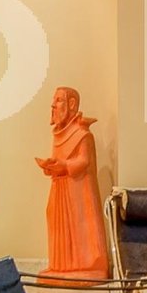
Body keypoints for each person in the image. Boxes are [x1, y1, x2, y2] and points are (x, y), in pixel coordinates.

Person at [39, 85, 109, 278]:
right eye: (54, 100)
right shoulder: (59, 134)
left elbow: (84, 161)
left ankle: (84, 266)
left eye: (58, 100)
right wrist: (50, 167)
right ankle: (60, 266)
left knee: (78, 225)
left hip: (77, 192)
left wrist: (63, 165)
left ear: (71, 104)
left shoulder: (83, 134)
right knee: (55, 219)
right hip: (59, 187)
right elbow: (59, 160)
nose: (53, 105)